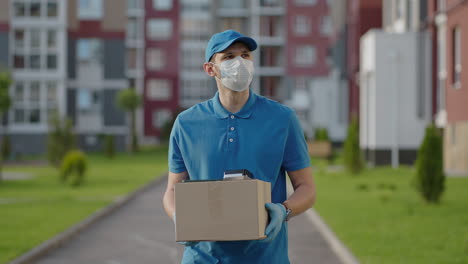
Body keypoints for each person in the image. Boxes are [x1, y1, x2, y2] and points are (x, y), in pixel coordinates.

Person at [162, 29, 316, 264]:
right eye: (228, 57)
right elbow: (172, 190)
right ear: (210, 69)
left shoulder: (282, 119)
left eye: (245, 55)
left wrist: (283, 210)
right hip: (202, 258)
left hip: (266, 257)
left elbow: (306, 187)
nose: (239, 63)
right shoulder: (186, 123)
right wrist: (179, 218)